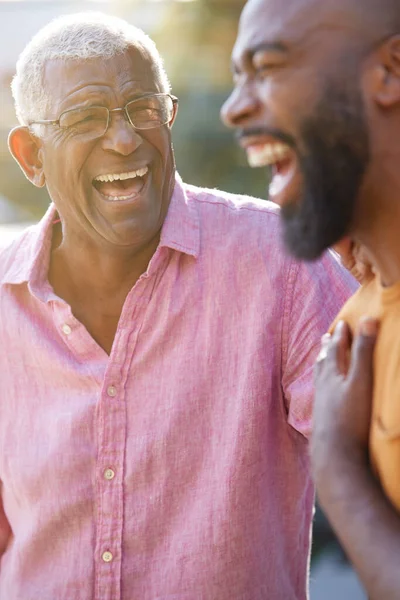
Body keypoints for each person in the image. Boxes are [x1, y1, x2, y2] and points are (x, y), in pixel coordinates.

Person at [1, 12, 355, 600]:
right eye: (87, 117)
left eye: (144, 109)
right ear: (31, 155)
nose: (123, 138)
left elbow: (377, 454)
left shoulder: (281, 261)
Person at [221, 0, 400, 597]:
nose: (234, 108)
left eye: (267, 67)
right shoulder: (361, 316)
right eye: (236, 76)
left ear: (390, 71)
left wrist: (338, 468)